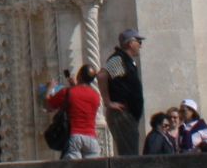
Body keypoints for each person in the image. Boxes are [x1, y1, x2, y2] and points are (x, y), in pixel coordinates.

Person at [100, 28, 146, 157]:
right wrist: (108, 102)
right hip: (122, 114)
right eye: (138, 42)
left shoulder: (127, 61)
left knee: (131, 151)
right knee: (129, 154)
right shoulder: (119, 59)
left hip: (128, 115)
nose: (140, 45)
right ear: (130, 43)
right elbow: (102, 75)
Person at [45, 65, 103, 160]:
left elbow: (48, 106)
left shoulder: (67, 92)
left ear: (79, 76)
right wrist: (75, 86)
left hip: (74, 137)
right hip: (91, 139)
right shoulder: (96, 96)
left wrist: (49, 89)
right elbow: (82, 100)